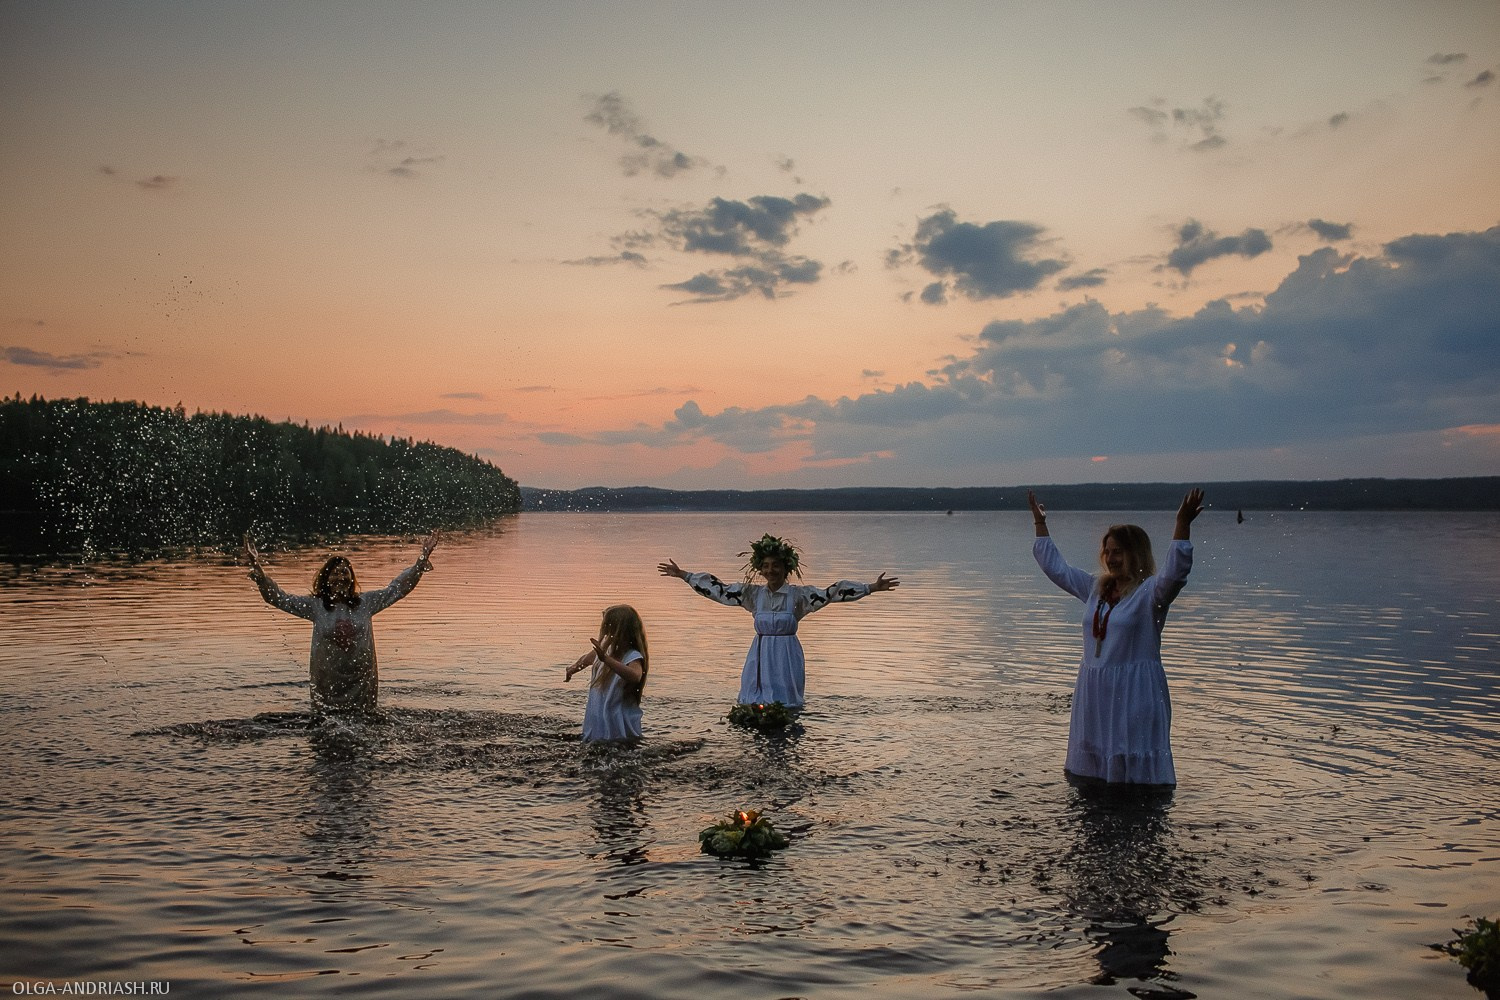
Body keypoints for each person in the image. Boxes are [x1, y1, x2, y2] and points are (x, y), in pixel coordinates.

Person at [1028, 489, 1204, 785]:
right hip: (1095, 690)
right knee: (1091, 781)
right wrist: (1040, 524)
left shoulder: (1150, 593)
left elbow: (1175, 576)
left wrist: (1181, 525)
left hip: (1134, 692)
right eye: (1107, 551)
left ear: (1136, 553)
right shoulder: (1096, 588)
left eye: (1118, 551)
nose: (1111, 558)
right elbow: (1058, 570)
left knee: (1132, 771)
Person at [658, 534, 899, 709]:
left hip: (786, 657)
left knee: (784, 705)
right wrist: (684, 575)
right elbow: (720, 590)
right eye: (766, 566)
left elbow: (833, 592)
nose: (771, 571)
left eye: (776, 566)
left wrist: (870, 588)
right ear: (759, 570)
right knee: (754, 703)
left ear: (786, 568)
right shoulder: (753, 595)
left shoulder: (799, 597)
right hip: (760, 656)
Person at [244, 533, 438, 714]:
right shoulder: (315, 606)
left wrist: (421, 559)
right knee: (327, 727)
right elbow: (279, 599)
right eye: (335, 573)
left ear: (352, 577)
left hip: (362, 682)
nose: (341, 577)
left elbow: (397, 589)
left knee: (364, 726)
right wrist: (257, 568)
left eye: (345, 572)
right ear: (326, 579)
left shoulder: (366, 603)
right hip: (328, 681)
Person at [565, 605, 649, 742]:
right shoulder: (605, 651)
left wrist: (606, 660)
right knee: (596, 746)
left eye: (606, 627)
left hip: (618, 719)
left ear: (618, 631)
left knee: (620, 749)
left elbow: (635, 676)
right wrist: (572, 669)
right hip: (599, 715)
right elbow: (585, 660)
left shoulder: (632, 656)